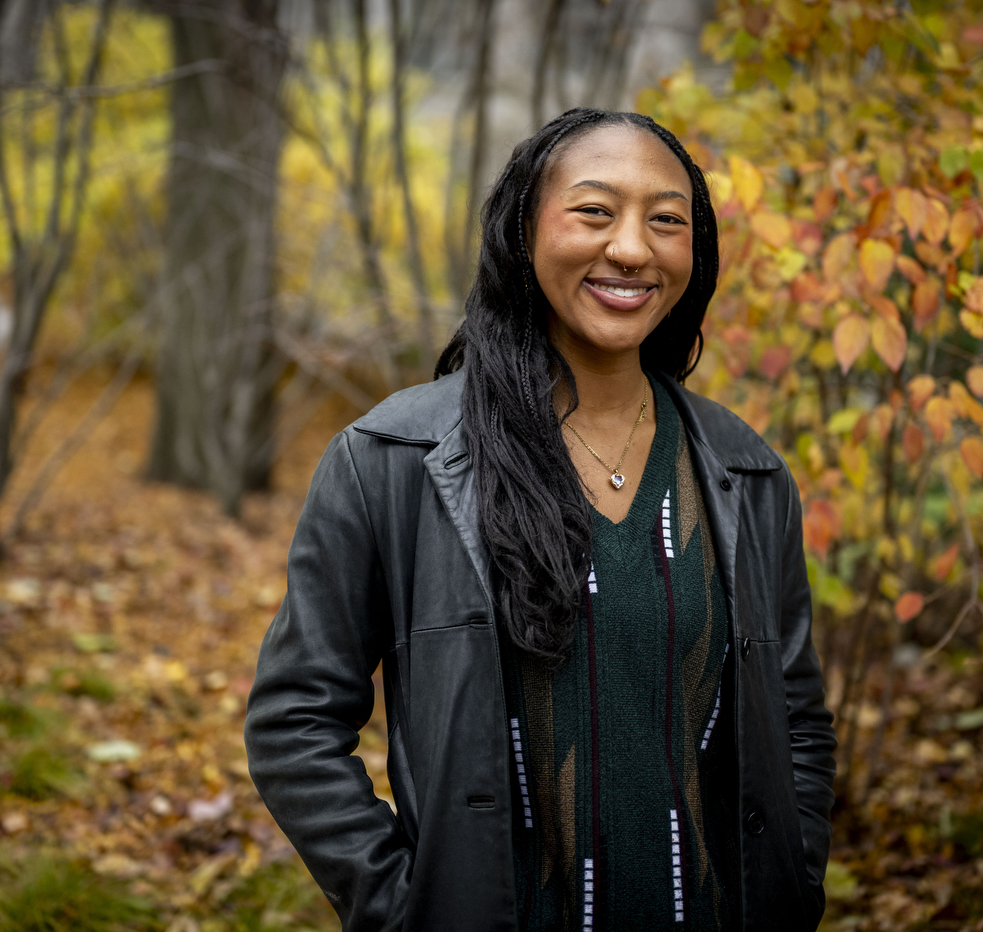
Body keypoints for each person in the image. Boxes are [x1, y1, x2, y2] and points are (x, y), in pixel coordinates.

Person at [244, 108, 837, 932]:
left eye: (666, 221)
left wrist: (793, 887)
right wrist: (403, 909)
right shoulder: (391, 461)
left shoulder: (745, 472)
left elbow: (797, 720)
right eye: (595, 212)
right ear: (524, 231)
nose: (631, 248)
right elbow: (293, 723)